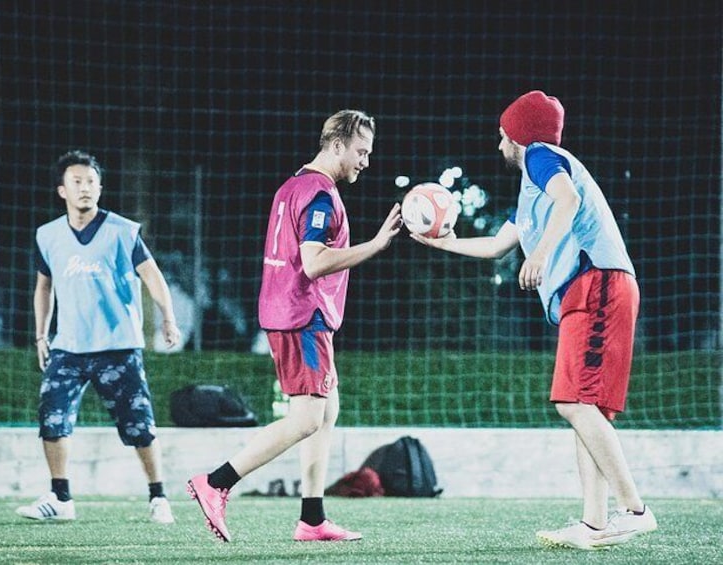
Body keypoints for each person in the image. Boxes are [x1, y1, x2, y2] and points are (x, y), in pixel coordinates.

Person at [412, 91, 657, 550]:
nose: (499, 142)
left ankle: (635, 511)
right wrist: (441, 244)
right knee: (587, 410)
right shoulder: (529, 195)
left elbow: (567, 202)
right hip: (589, 293)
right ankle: (594, 522)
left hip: (597, 283)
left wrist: (541, 255)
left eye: (503, 134)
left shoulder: (543, 158)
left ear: (519, 134)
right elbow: (495, 246)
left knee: (574, 404)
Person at [187, 109, 401, 543]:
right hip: (303, 317)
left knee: (328, 409)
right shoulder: (321, 195)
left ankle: (313, 518)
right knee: (306, 419)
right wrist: (377, 244)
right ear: (337, 145)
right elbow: (314, 261)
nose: (365, 161)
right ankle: (217, 482)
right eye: (361, 152)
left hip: (293, 313)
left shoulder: (292, 185)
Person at [15, 150, 181, 524]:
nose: (85, 188)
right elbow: (44, 287)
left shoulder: (123, 231)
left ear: (100, 188)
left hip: (118, 345)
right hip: (68, 348)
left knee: (139, 424)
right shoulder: (48, 236)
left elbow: (152, 276)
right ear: (62, 190)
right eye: (77, 182)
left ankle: (158, 497)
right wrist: (42, 334)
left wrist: (167, 318)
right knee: (52, 419)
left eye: (91, 182)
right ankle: (60, 498)